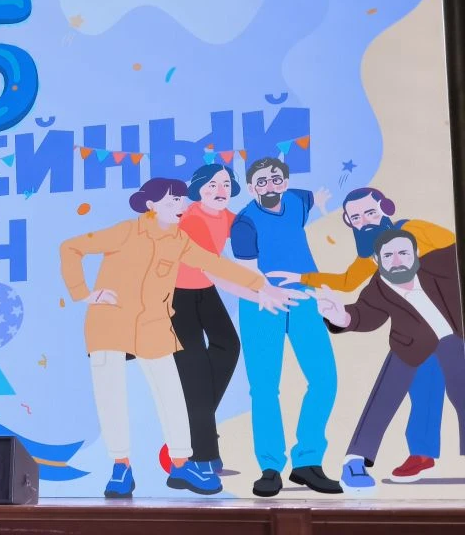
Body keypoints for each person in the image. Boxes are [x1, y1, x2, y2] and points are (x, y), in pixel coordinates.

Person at [59, 177, 304, 498]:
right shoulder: (126, 232)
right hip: (109, 325)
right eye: (173, 200)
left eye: (182, 200)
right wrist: (83, 293)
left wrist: (262, 287)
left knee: (173, 395)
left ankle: (181, 463)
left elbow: (215, 263)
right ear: (151, 205)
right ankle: (121, 466)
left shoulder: (179, 241)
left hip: (154, 327)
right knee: (111, 395)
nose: (181, 205)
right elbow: (70, 247)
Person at [268, 188, 455, 482]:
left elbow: (454, 258)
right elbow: (349, 283)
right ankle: (413, 454)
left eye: (370, 212)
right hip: (415, 337)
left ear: (386, 208)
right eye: (355, 218)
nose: (364, 221)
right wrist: (305, 280)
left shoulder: (417, 232)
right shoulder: (374, 256)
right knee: (421, 389)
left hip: (453, 330)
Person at [313, 231, 465, 491]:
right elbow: (365, 314)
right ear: (376, 259)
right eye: (388, 256)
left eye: (403, 253)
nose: (396, 261)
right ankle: (356, 460)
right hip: (410, 345)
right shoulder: (379, 287)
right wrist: (342, 317)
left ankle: (422, 453)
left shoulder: (442, 263)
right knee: (387, 393)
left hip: (453, 340)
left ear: (417, 253)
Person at [230, 157, 341, 497]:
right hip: (262, 304)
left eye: (276, 179)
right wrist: (268, 293)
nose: (270, 185)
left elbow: (312, 200)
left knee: (324, 379)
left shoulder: (296, 199)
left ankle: (307, 461)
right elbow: (247, 272)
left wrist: (321, 203)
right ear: (252, 188)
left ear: (286, 182)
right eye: (261, 181)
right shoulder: (244, 223)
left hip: (304, 298)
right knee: (264, 387)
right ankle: (270, 467)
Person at [169, 164, 261, 480]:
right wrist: (258, 292)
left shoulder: (227, 217)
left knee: (228, 346)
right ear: (198, 189)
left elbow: (251, 228)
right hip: (176, 295)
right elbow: (213, 269)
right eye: (212, 184)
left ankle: (192, 434)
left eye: (225, 184)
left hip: (203, 292)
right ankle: (203, 458)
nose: (220, 190)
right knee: (194, 368)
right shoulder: (192, 219)